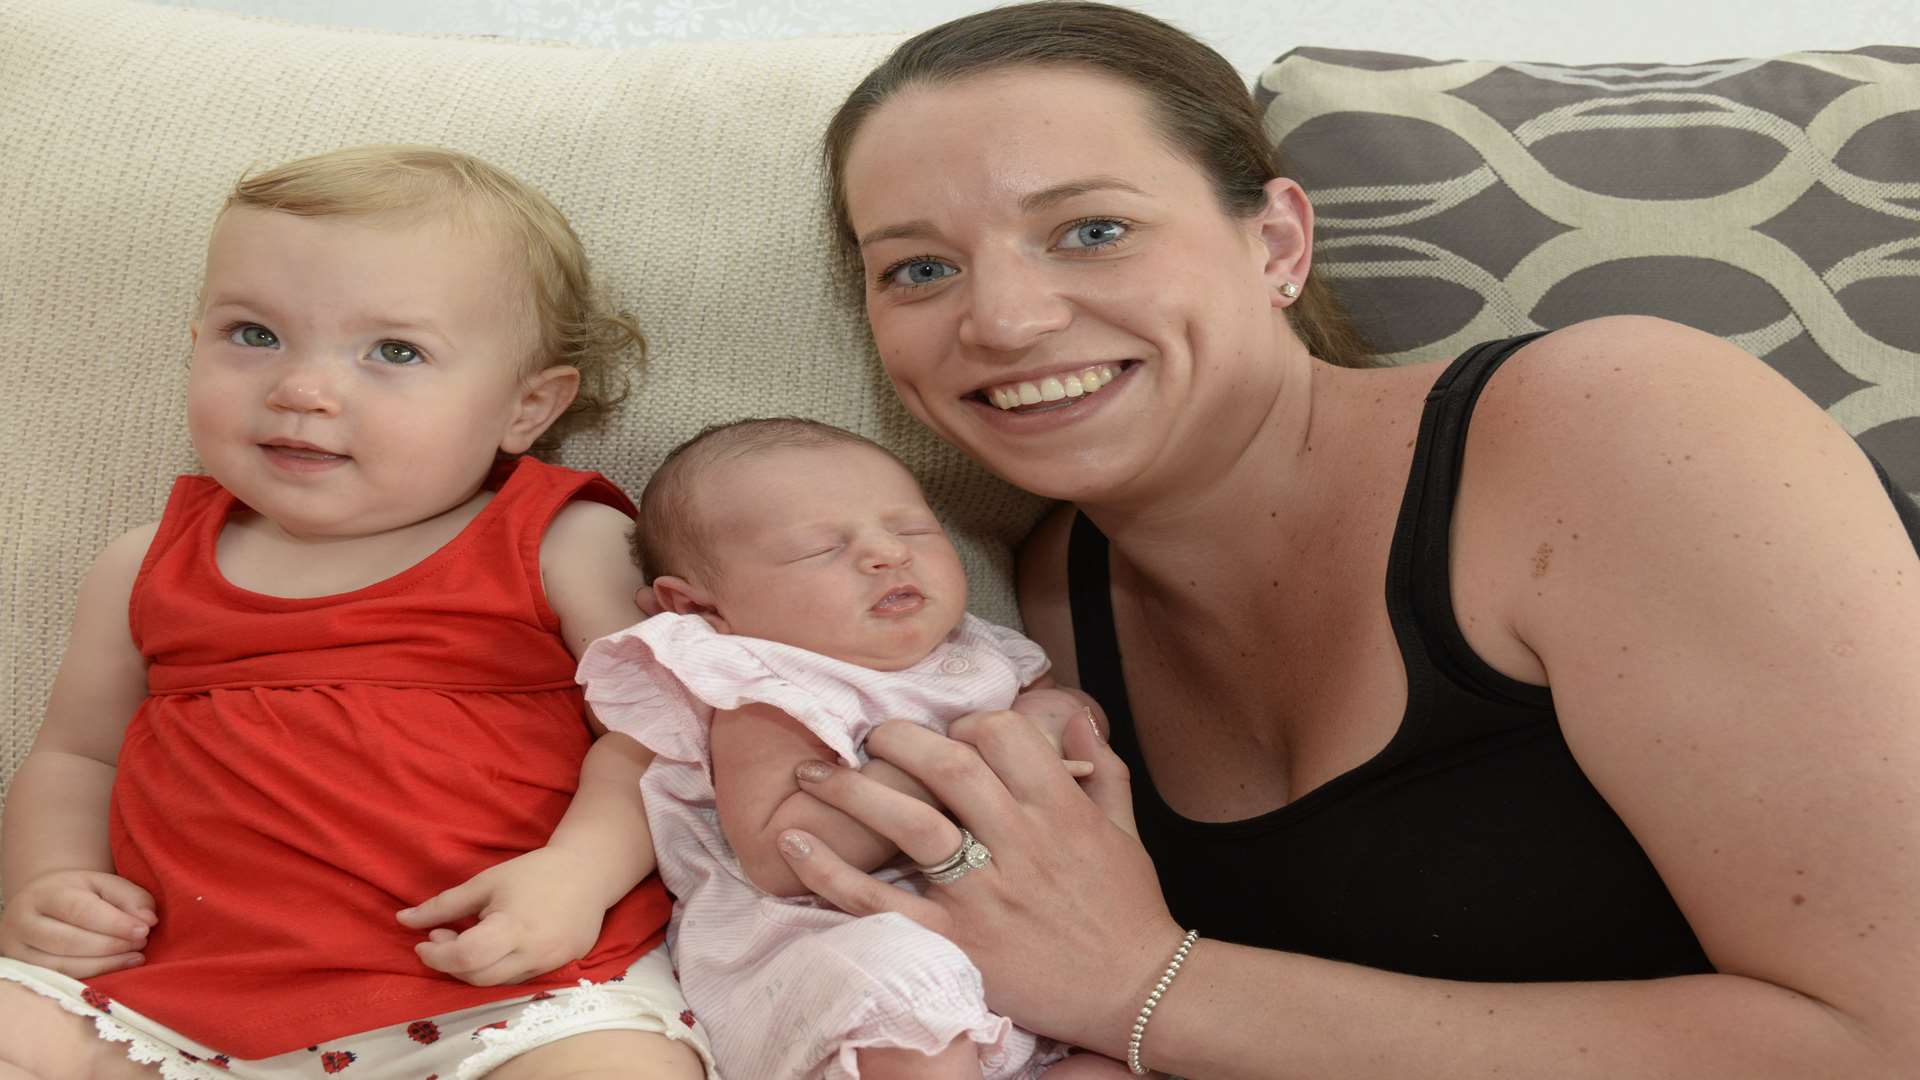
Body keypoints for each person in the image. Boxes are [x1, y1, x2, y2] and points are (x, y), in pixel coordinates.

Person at [767, 3, 1920, 1077]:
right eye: (919, 268)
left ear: (1275, 243)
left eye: (1093, 229)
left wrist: (1143, 984)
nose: (1005, 319)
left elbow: (1887, 1040)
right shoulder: (1046, 599)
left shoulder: (1616, 426)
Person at [0, 146, 713, 1080]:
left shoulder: (559, 541)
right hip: (172, 1000)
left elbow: (666, 726)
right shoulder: (145, 564)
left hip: (508, 997)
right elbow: (76, 754)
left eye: (395, 352)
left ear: (527, 406)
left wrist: (578, 873)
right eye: (254, 335)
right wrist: (46, 883)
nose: (302, 389)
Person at [577, 417, 1133, 1079]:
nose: (888, 554)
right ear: (704, 608)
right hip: (825, 945)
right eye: (821, 548)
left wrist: (1056, 713)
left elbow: (1087, 730)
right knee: (912, 997)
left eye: (912, 528)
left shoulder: (981, 648)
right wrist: (950, 773)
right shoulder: (766, 686)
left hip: (1028, 941)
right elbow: (780, 859)